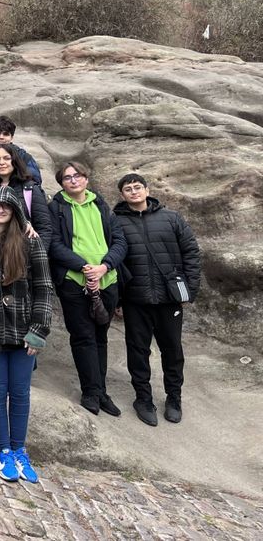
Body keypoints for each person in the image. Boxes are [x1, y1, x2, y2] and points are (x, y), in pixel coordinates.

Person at [0, 186, 54, 483]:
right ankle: (3, 450)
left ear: (16, 210)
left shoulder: (31, 241)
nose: (1, 209)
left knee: (19, 392)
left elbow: (44, 288)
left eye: (7, 205)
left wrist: (39, 329)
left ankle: (19, 449)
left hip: (22, 330)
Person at [114, 173, 201, 426]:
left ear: (147, 190)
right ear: (122, 195)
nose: (133, 191)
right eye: (128, 189)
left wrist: (189, 290)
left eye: (137, 187)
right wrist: (117, 299)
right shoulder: (115, 221)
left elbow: (191, 252)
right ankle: (143, 398)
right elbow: (114, 261)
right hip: (135, 298)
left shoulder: (171, 218)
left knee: (172, 350)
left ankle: (174, 398)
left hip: (168, 298)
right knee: (137, 351)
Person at [48, 160, 127, 416]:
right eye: (67, 177)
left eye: (77, 175)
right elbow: (54, 244)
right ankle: (91, 392)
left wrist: (104, 266)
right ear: (61, 183)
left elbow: (119, 241)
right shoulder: (56, 208)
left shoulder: (101, 205)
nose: (73, 180)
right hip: (74, 281)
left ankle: (101, 392)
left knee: (101, 337)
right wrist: (84, 267)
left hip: (107, 280)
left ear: (86, 179)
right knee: (83, 337)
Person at [0, 143, 52, 248]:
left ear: (15, 161)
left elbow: (44, 227)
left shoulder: (30, 189)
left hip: (23, 250)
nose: (1, 163)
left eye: (7, 158)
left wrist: (38, 253)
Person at [0, 116, 43, 186]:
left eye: (6, 134)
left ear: (12, 137)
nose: (1, 137)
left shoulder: (23, 157)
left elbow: (35, 180)